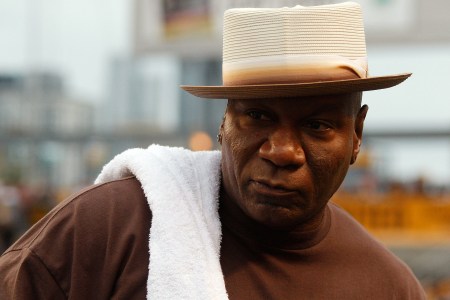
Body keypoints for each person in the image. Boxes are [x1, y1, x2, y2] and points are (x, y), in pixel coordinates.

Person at [0, 2, 426, 299]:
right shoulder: (109, 229)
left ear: (356, 135)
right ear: (223, 123)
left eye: (317, 125)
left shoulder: (389, 287)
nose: (282, 151)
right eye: (257, 116)